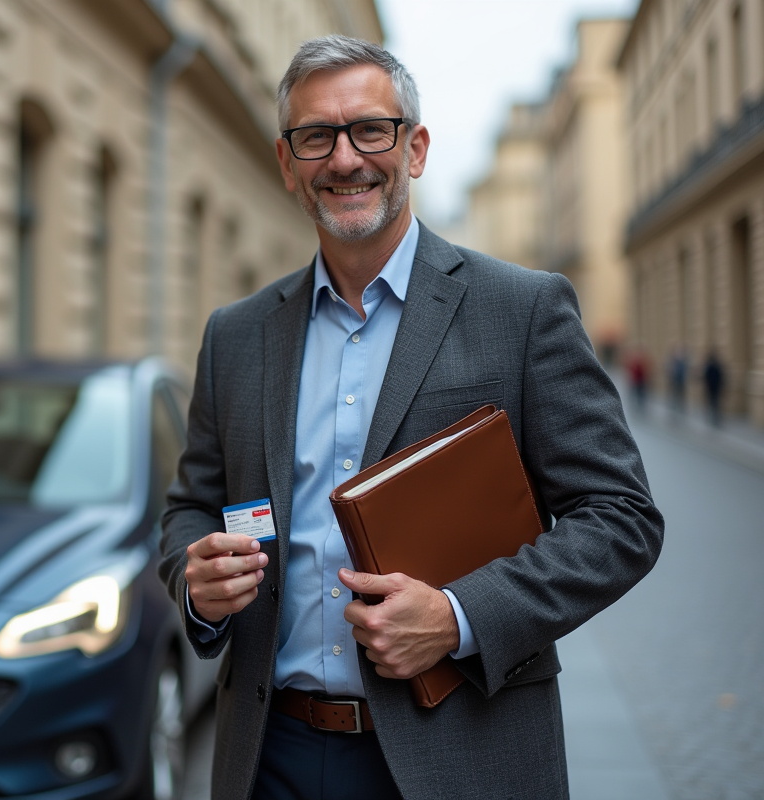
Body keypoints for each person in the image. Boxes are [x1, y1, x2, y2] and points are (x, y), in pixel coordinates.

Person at [158, 36, 664, 800]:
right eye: (316, 137)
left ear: (415, 148)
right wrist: (195, 585)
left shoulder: (522, 309)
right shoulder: (236, 334)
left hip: (462, 754)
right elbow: (191, 506)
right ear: (287, 163)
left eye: (370, 130)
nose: (344, 159)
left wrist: (459, 617)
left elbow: (621, 519)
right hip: (270, 754)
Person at [704, 349, 725, 426]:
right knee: (715, 401)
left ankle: (714, 415)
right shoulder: (717, 366)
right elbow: (721, 377)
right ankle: (716, 416)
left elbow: (706, 377)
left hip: (711, 387)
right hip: (715, 387)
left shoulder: (709, 366)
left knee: (713, 401)